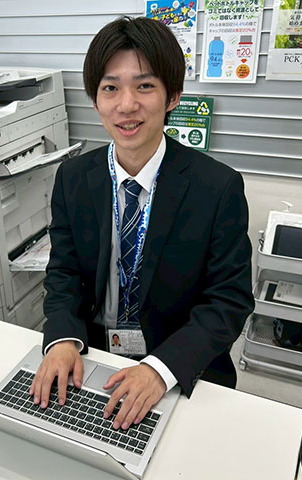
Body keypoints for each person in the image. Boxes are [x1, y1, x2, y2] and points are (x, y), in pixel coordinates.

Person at [29, 16, 254, 431]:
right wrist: (61, 338)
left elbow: (229, 301)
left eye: (145, 86)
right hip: (93, 360)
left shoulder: (217, 187)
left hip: (177, 367)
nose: (126, 105)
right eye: (110, 88)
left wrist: (160, 368)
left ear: (172, 97)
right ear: (95, 99)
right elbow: (64, 272)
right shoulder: (74, 178)